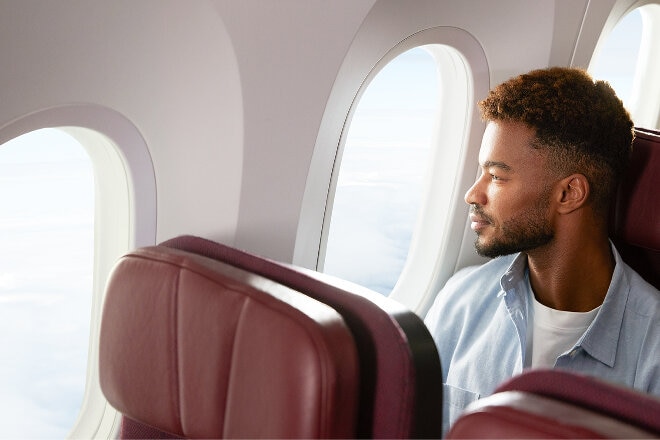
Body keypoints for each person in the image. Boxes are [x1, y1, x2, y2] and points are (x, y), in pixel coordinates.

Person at [423, 67, 659, 435]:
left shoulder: (654, 349)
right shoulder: (460, 300)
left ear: (569, 194)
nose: (473, 194)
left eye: (497, 176)